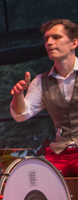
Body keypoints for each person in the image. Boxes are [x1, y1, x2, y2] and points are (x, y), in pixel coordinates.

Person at [10, 19, 78, 177]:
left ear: (74, 43)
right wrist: (18, 95)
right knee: (36, 179)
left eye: (56, 37)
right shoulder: (41, 81)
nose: (49, 43)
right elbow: (22, 115)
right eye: (47, 39)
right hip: (59, 152)